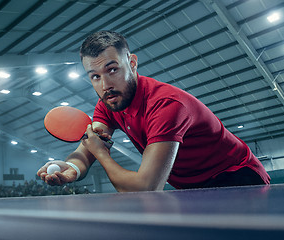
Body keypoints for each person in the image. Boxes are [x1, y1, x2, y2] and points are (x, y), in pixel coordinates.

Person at [37, 31, 270, 192]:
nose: (105, 84)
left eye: (113, 69)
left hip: (236, 177)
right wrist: (74, 168)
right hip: (191, 187)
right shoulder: (108, 102)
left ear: (133, 63)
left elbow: (145, 188)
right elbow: (91, 144)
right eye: (95, 76)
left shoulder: (166, 105)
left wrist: (101, 154)